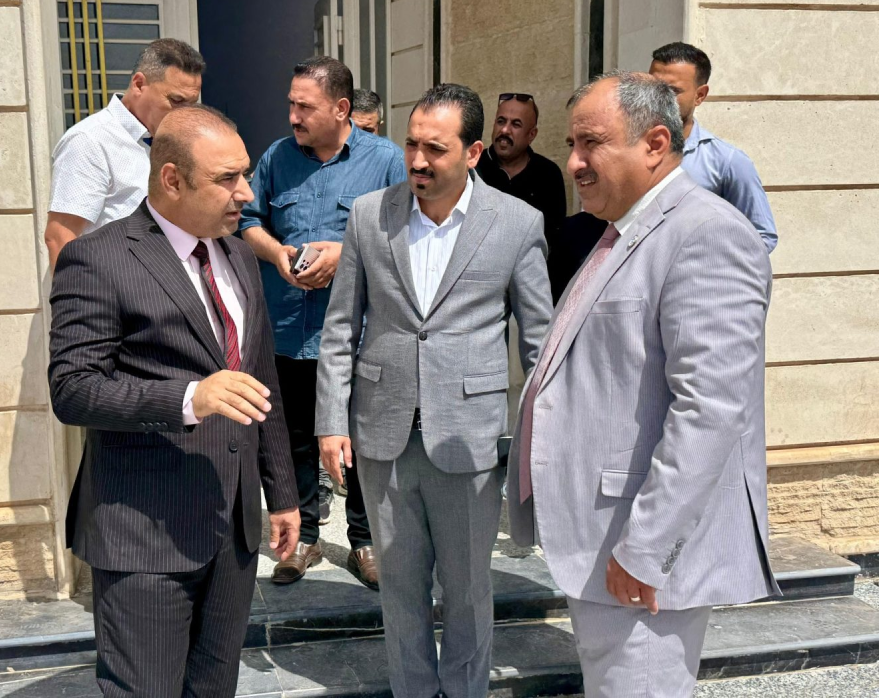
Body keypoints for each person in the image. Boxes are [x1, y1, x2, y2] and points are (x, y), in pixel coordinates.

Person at [507, 72, 779, 698]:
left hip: (638, 552)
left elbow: (710, 410)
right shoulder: (625, 229)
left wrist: (647, 548)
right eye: (571, 144)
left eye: (591, 144)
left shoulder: (706, 234)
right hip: (605, 537)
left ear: (655, 143)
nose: (573, 163)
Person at [48, 106, 300, 698]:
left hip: (232, 528)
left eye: (245, 174)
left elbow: (259, 378)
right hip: (145, 532)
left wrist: (282, 493)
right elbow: (73, 389)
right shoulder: (99, 258)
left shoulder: (239, 254)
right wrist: (189, 397)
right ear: (171, 180)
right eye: (227, 178)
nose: (246, 193)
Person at [317, 83, 553, 698]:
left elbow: (539, 344)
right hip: (383, 433)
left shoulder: (517, 223)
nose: (418, 161)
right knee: (400, 590)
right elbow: (339, 328)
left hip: (469, 439)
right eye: (411, 145)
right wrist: (331, 423)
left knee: (468, 590)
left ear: (473, 153)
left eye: (435, 149)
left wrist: (542, 438)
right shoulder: (370, 214)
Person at [240, 57, 406, 589]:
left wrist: (345, 253)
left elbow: (409, 237)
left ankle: (365, 540)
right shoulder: (276, 158)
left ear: (341, 108)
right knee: (294, 440)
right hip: (288, 327)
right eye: (291, 104)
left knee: (359, 441)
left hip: (359, 335)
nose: (293, 116)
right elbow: (248, 220)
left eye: (304, 107)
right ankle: (303, 537)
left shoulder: (387, 162)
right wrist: (276, 253)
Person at [45, 38, 205, 269]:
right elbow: (60, 237)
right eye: (176, 100)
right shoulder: (90, 141)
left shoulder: (175, 141)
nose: (184, 113)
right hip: (115, 287)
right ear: (139, 84)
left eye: (191, 103)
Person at [649, 42, 778, 251]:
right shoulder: (625, 149)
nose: (658, 98)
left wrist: (708, 264)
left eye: (673, 91)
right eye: (653, 88)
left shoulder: (727, 162)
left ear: (700, 95)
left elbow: (761, 236)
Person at [474, 92, 566, 249]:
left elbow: (553, 238)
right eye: (501, 121)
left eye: (516, 124)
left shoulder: (548, 174)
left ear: (532, 134)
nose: (505, 130)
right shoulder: (473, 167)